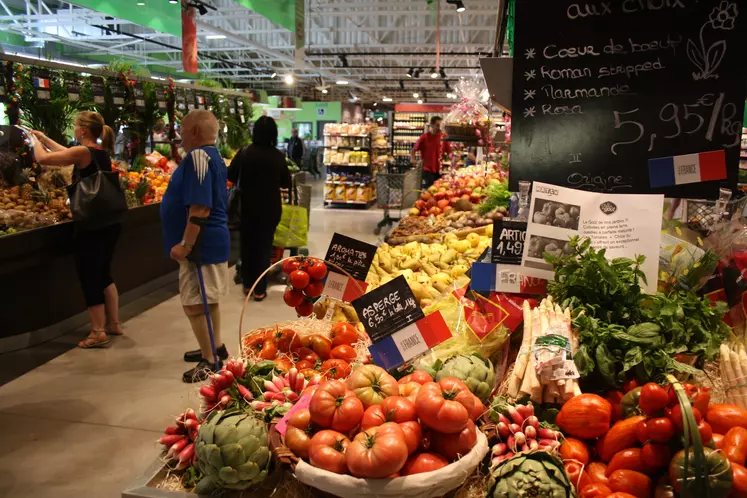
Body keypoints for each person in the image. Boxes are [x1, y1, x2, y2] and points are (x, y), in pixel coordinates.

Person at [30, 112, 123, 348]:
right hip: (109, 222)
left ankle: (97, 331)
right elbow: (65, 152)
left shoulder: (83, 152)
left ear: (83, 130)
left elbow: (44, 159)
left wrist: (34, 142)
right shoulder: (97, 152)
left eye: (75, 125)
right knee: (104, 273)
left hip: (91, 224)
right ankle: (113, 323)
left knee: (89, 274)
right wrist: (43, 137)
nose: (74, 128)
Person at [159, 110, 230, 382]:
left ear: (196, 132)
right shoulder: (213, 156)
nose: (180, 134)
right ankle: (214, 346)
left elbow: (200, 208)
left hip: (202, 245)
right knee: (206, 299)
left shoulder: (199, 157)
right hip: (208, 242)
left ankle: (209, 360)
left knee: (193, 303)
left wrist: (186, 244)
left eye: (183, 129)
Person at [228, 116, 291, 300]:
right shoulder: (277, 155)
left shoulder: (245, 152)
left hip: (245, 207)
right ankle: (260, 289)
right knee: (264, 247)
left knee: (247, 246)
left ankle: (248, 285)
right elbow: (286, 183)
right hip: (269, 208)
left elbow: (231, 174)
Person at [411, 116, 452, 188]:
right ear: (431, 125)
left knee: (438, 188)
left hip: (439, 169)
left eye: (441, 125)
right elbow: (414, 149)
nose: (439, 128)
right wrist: (413, 159)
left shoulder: (444, 137)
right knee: (431, 187)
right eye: (437, 125)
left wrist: (453, 161)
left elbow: (450, 152)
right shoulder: (424, 137)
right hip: (427, 168)